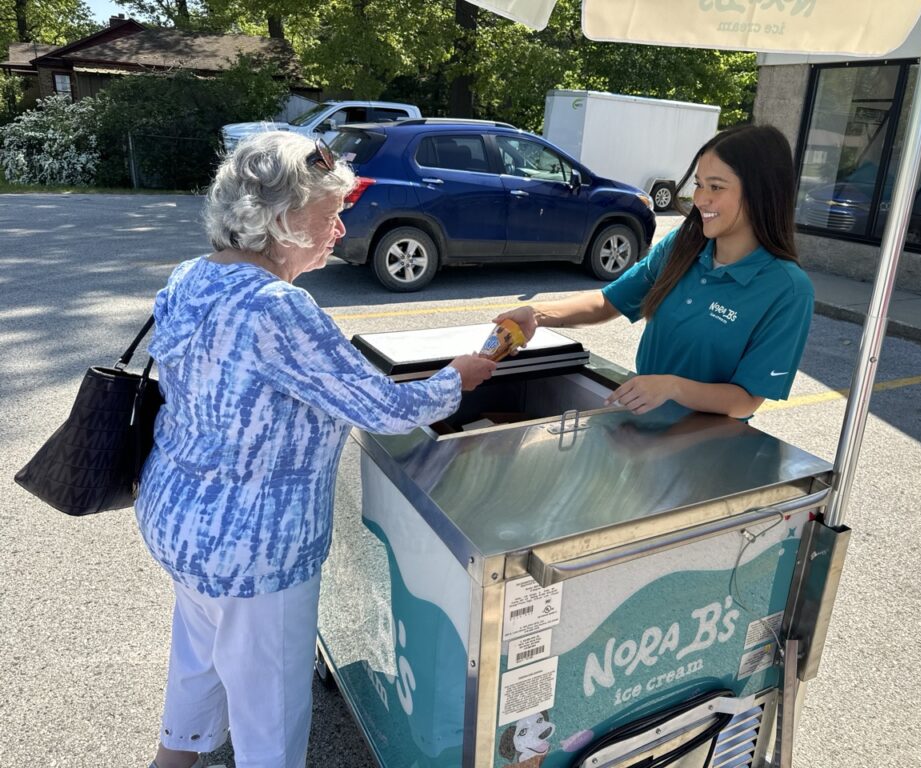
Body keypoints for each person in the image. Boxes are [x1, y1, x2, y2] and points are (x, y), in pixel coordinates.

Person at [136, 131, 496, 768]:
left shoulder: (193, 275)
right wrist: (457, 379)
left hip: (180, 521)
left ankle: (174, 759)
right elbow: (384, 409)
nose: (340, 226)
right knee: (269, 711)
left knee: (199, 651)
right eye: (327, 214)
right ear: (275, 220)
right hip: (256, 550)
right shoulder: (278, 307)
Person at [495, 124, 813, 421]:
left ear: (761, 193)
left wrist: (673, 387)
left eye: (716, 187)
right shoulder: (684, 244)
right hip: (640, 424)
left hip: (707, 446)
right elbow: (608, 302)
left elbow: (745, 400)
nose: (701, 199)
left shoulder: (787, 289)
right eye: (699, 185)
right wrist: (536, 314)